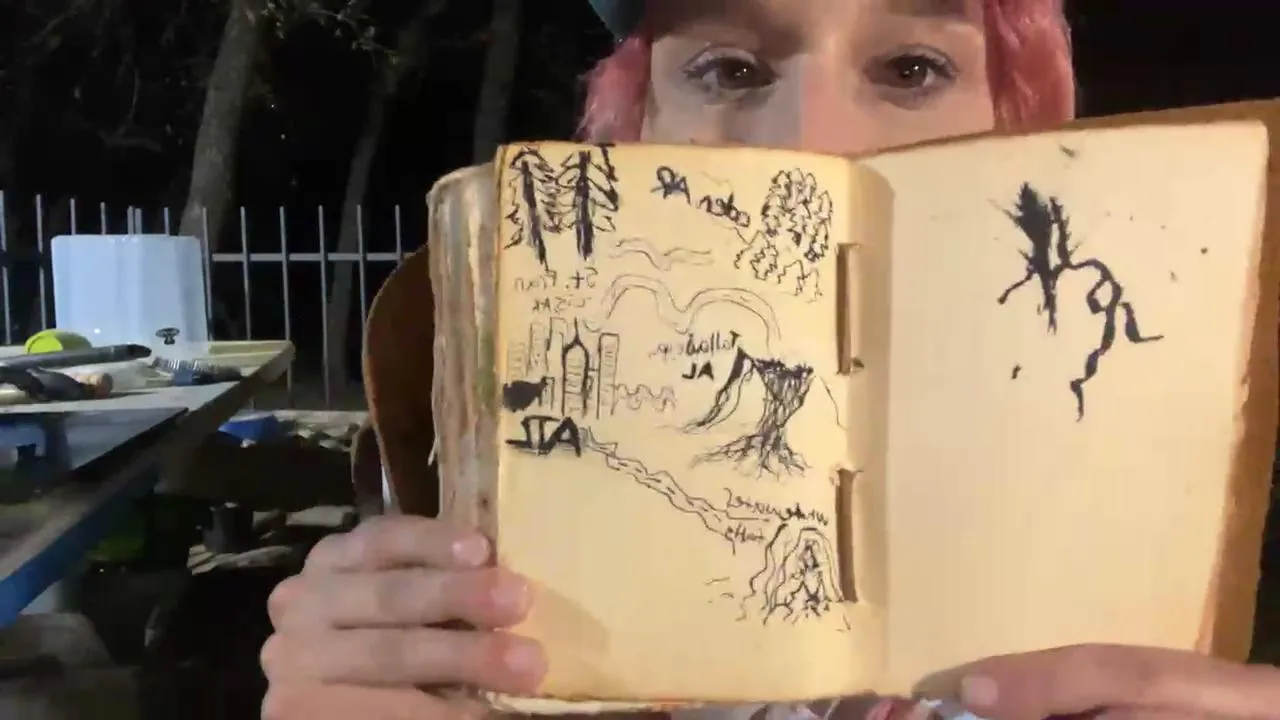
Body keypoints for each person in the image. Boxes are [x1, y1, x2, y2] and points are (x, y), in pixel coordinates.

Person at [260, 1, 1280, 718]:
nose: (815, 145)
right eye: (730, 71)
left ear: (1023, 132)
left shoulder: (1211, 488)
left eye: (911, 69)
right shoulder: (493, 513)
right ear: (633, 137)